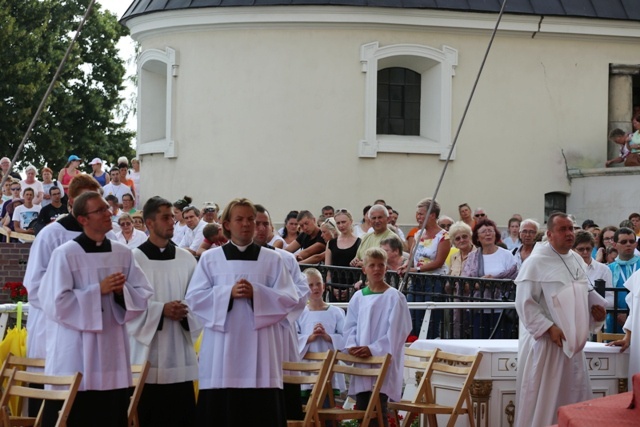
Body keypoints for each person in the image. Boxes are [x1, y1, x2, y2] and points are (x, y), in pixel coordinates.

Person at [38, 191, 153, 427]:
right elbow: (54, 303)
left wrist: (122, 293)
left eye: (107, 208)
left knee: (109, 412)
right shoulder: (65, 254)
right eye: (99, 210)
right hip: (75, 351)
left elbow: (142, 293)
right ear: (83, 219)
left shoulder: (123, 253)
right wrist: (96, 291)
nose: (108, 213)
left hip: (111, 349)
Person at [185, 198, 300, 427]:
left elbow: (289, 299)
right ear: (226, 224)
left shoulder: (272, 259)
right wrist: (227, 293)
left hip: (261, 351)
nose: (247, 224)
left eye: (251, 220)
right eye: (240, 219)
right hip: (222, 353)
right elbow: (195, 299)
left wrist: (256, 293)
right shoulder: (210, 259)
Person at [514, 212, 606, 427]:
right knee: (546, 399)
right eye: (562, 229)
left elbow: (584, 294)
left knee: (574, 393)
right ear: (549, 234)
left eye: (571, 229)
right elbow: (525, 303)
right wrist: (549, 328)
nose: (569, 233)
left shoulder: (575, 258)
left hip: (572, 343)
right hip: (547, 344)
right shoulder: (535, 262)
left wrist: (595, 314)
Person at [127, 196, 202, 427]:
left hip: (179, 353)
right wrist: (161, 310)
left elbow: (199, 300)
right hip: (146, 355)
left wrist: (185, 310)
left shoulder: (187, 259)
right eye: (166, 217)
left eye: (173, 216)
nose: (172, 221)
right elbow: (127, 305)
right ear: (149, 223)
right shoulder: (133, 259)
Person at [344, 247, 412, 426]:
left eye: (380, 265)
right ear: (364, 269)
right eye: (372, 265)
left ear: (386, 268)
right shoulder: (358, 297)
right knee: (362, 408)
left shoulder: (394, 297)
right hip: (361, 360)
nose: (376, 269)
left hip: (382, 361)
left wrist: (373, 349)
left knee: (378, 408)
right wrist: (352, 345)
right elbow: (349, 326)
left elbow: (397, 332)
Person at [296, 268, 346, 396]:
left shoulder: (336, 312)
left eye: (318, 283)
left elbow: (345, 337)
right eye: (310, 285)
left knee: (326, 406)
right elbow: (293, 338)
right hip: (306, 367)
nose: (315, 288)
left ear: (323, 286)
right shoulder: (299, 313)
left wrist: (328, 336)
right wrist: (309, 338)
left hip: (329, 367)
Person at [606, 227, 640, 332]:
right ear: (615, 245)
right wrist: (616, 313)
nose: (628, 244)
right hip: (616, 322)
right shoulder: (608, 269)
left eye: (631, 241)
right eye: (624, 242)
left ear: (636, 244)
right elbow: (605, 296)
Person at [573, 230, 614, 308]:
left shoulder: (604, 269)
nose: (585, 252)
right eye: (581, 249)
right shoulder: (568, 269)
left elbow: (611, 298)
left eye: (588, 249)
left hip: (596, 315)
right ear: (573, 249)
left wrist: (595, 304)